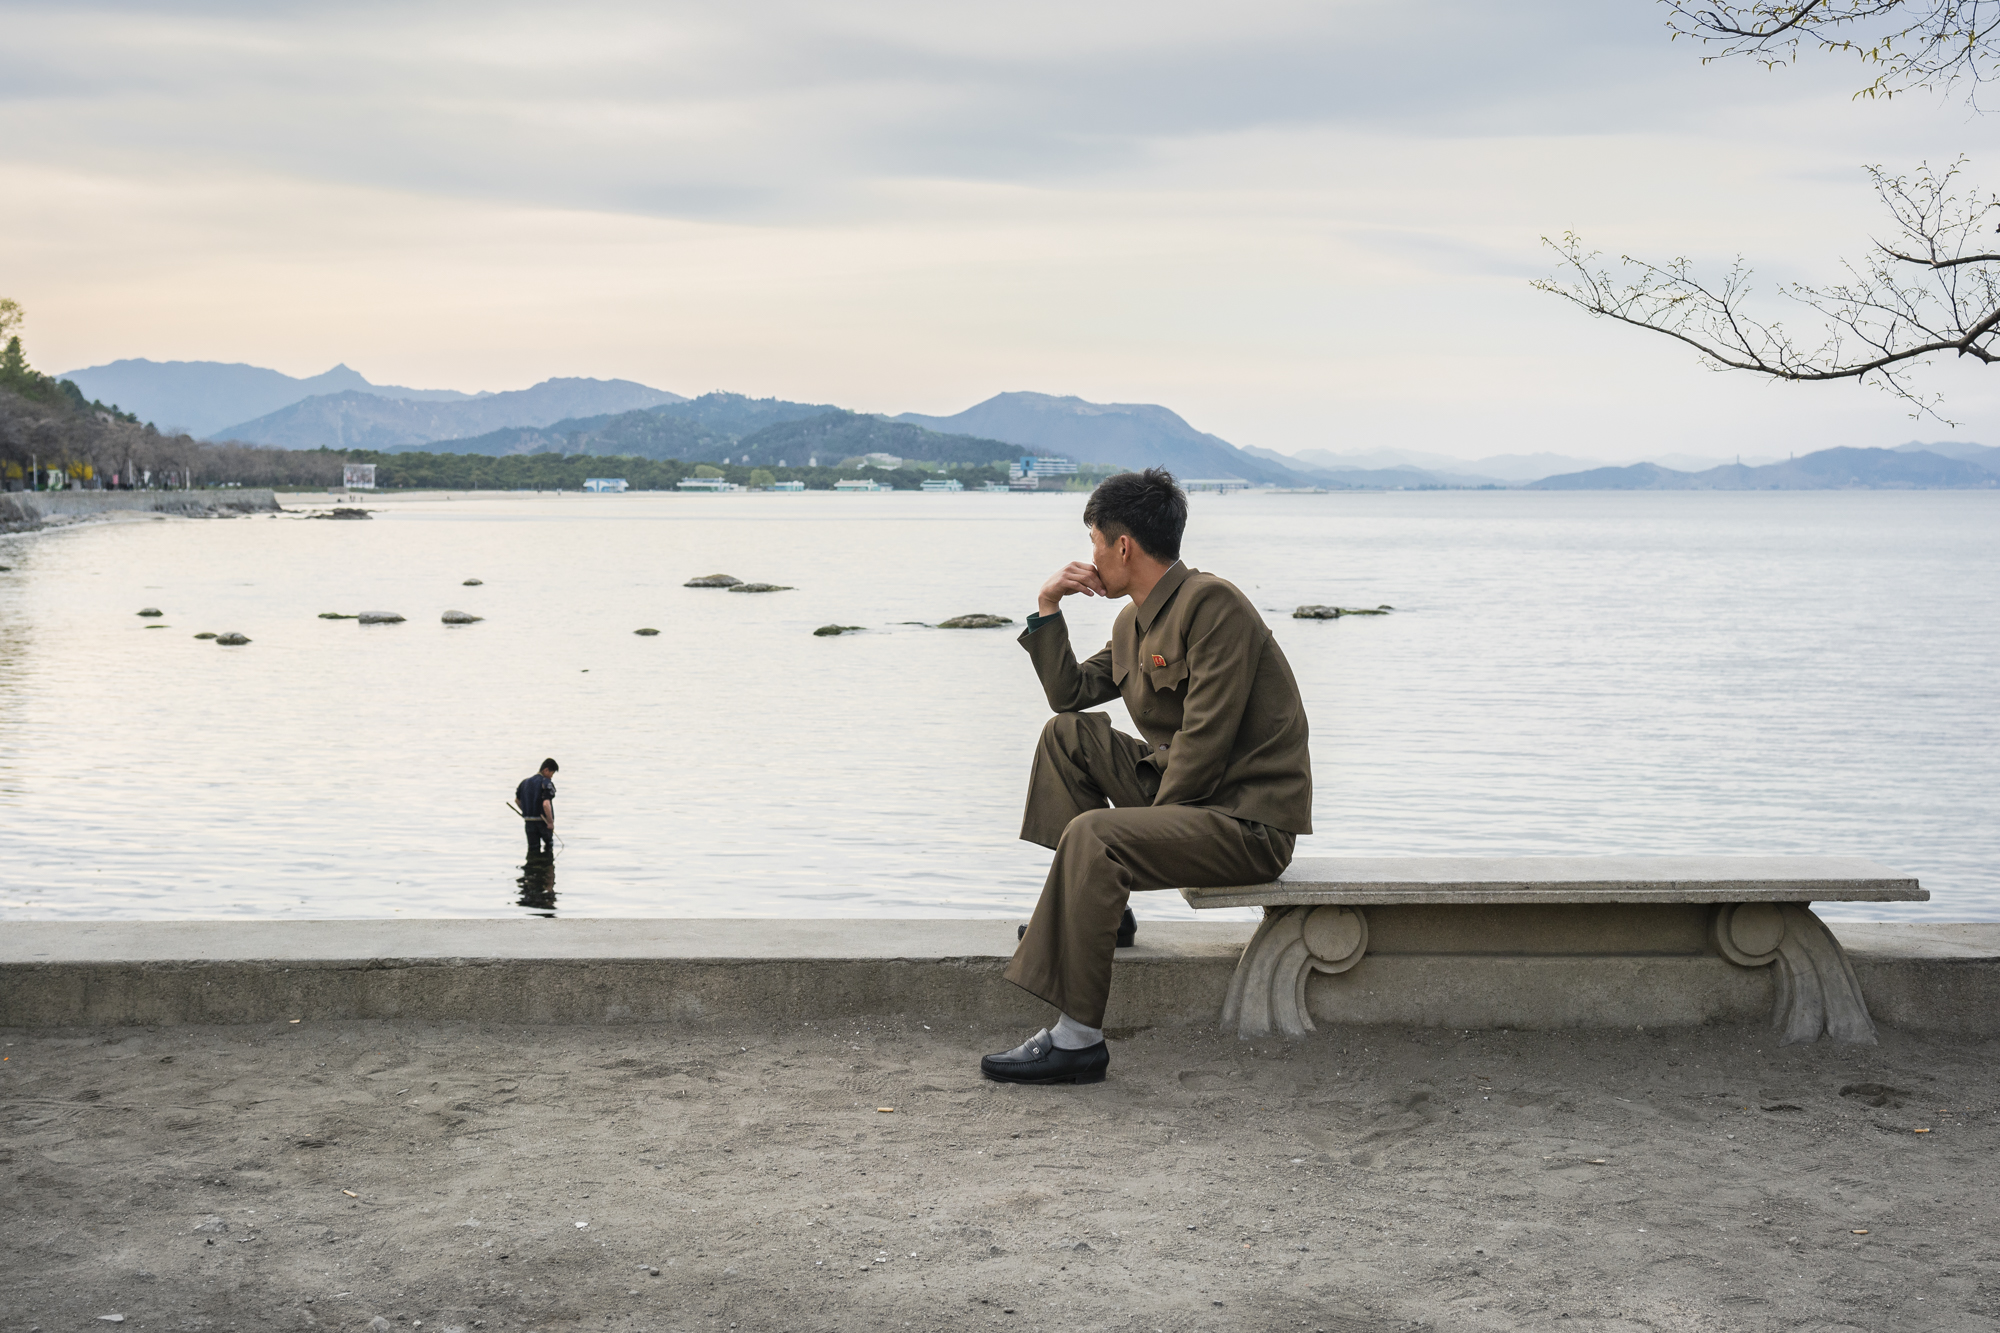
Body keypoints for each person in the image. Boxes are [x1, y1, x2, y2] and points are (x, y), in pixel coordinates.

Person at [981, 469, 1313, 1085]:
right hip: (1188, 801)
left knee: (1095, 835)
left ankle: (1077, 1041)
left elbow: (1205, 746)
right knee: (1067, 737)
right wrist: (1046, 605)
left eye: (1094, 544)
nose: (1092, 558)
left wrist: (1122, 827)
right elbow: (1069, 695)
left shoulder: (1213, 605)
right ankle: (1104, 913)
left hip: (1245, 822)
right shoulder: (1132, 623)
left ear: (1122, 545)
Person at [517, 759, 559, 857]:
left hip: (529, 822)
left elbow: (517, 800)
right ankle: (547, 868)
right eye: (551, 773)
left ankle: (531, 869)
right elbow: (546, 804)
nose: (551, 777)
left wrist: (526, 811)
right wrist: (550, 822)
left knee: (533, 848)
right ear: (546, 770)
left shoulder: (524, 783)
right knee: (549, 847)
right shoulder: (546, 783)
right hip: (542, 822)